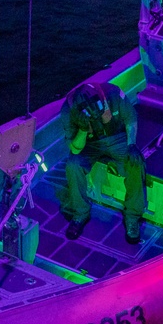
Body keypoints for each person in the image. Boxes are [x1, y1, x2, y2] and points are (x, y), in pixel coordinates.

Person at [59, 82, 146, 244]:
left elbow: (131, 118)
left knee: (136, 163)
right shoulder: (68, 111)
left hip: (116, 138)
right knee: (73, 165)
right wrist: (83, 129)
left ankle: (133, 216)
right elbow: (75, 149)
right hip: (88, 144)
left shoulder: (113, 92)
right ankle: (80, 214)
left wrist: (132, 144)